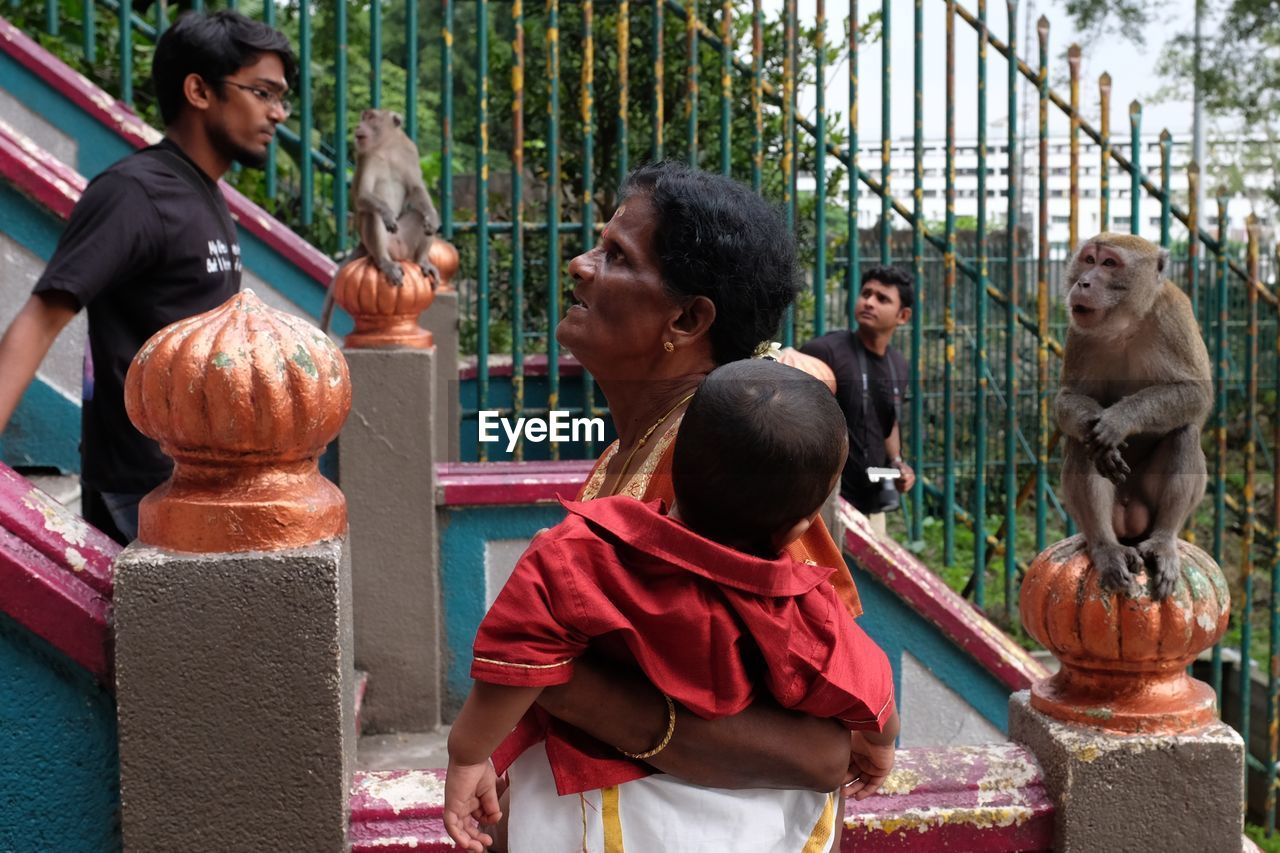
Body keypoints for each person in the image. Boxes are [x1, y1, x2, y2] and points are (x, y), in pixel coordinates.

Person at [471, 161, 876, 851]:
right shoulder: (646, 443)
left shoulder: (728, 468)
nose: (580, 265)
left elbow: (830, 752)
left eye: (615, 256)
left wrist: (553, 683)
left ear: (687, 318)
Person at [445, 360, 898, 852]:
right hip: (734, 827)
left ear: (675, 461)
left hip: (591, 812)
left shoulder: (583, 554)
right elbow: (870, 688)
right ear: (799, 528)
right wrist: (879, 745)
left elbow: (517, 656)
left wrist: (470, 754)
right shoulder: (804, 612)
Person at [0, 10, 294, 543]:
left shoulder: (203, 193)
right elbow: (42, 318)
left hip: (200, 484)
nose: (278, 113)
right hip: (141, 492)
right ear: (199, 90)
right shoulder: (135, 193)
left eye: (281, 97)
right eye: (263, 92)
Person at [800, 266, 917, 536]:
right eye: (866, 293)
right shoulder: (825, 351)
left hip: (873, 506)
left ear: (903, 316)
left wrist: (898, 462)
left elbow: (889, 420)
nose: (869, 302)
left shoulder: (898, 364)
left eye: (882, 298)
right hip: (827, 504)